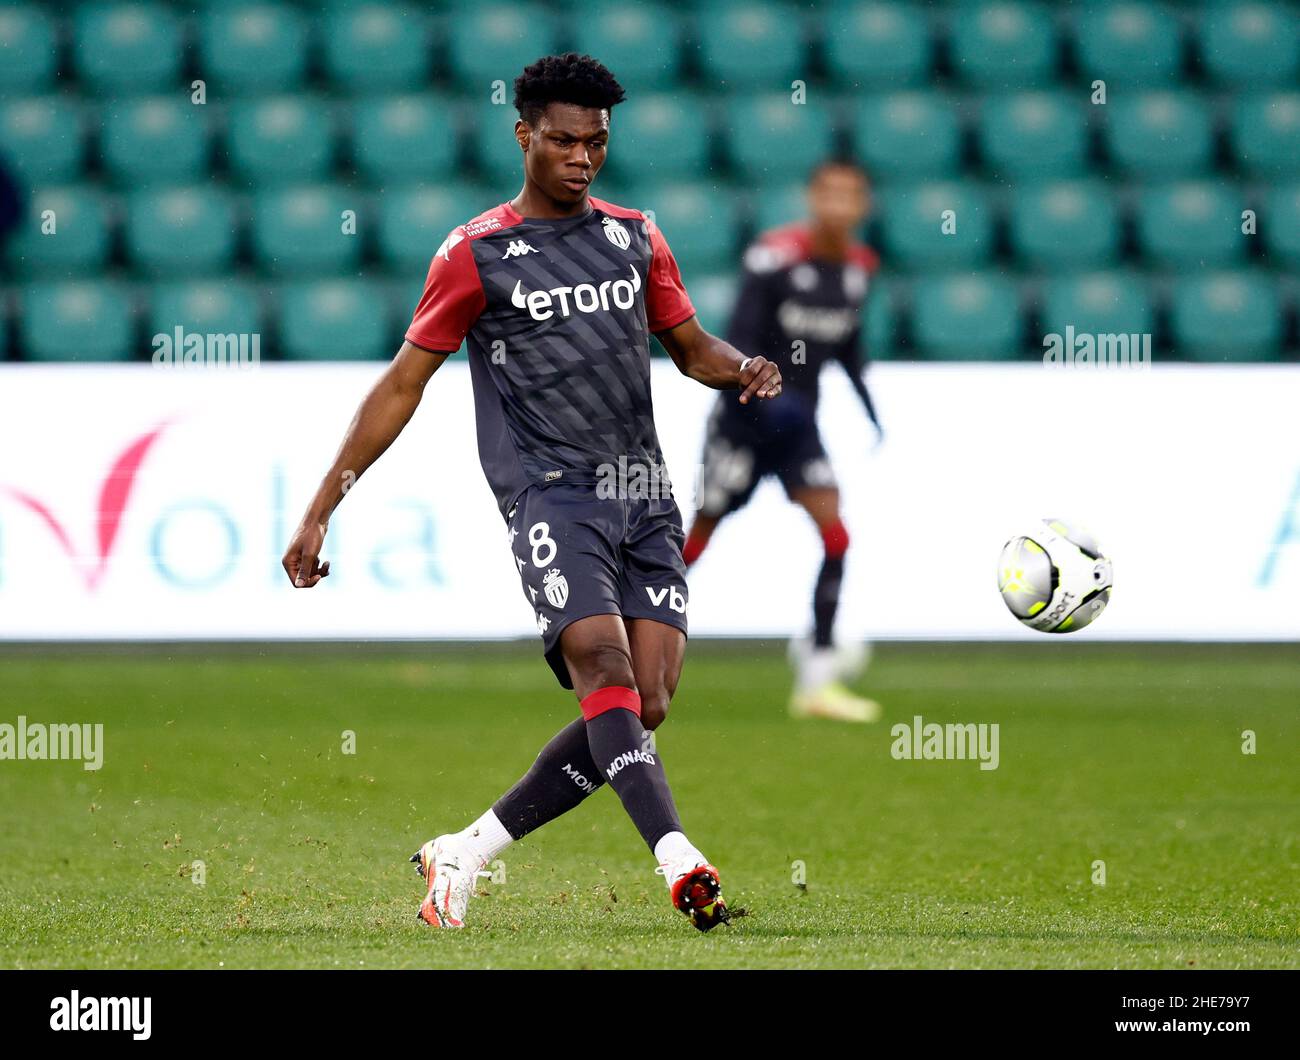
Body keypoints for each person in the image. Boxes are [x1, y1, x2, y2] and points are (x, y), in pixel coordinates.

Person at [281, 54, 782, 931]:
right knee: (602, 666)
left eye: (595, 142)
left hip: (644, 496)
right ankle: (680, 859)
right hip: (554, 496)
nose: (582, 157)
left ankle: (465, 850)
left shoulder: (636, 236)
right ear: (523, 136)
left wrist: (741, 368)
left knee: (643, 704)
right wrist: (324, 505)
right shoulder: (476, 254)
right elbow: (402, 385)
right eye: (562, 140)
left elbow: (691, 344)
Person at [682, 159, 884, 723]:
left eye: (852, 196)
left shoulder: (860, 268)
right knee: (694, 542)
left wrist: (871, 410)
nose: (840, 206)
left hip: (799, 431)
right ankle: (620, 644)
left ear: (862, 207)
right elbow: (740, 338)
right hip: (745, 421)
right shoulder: (773, 258)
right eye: (831, 194)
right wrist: (766, 391)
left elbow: (849, 347)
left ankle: (817, 682)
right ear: (813, 198)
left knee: (837, 537)